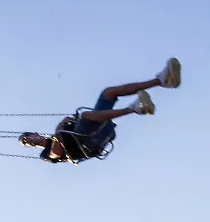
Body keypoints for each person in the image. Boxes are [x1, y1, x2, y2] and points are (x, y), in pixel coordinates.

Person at [19, 59, 181, 163]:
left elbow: (68, 123)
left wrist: (65, 125)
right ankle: (134, 108)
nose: (28, 141)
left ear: (34, 133)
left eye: (26, 138)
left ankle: (161, 81)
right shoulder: (46, 154)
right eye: (26, 144)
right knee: (86, 116)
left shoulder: (57, 134)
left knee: (108, 93)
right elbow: (57, 151)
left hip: (95, 129)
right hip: (88, 142)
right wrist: (59, 130)